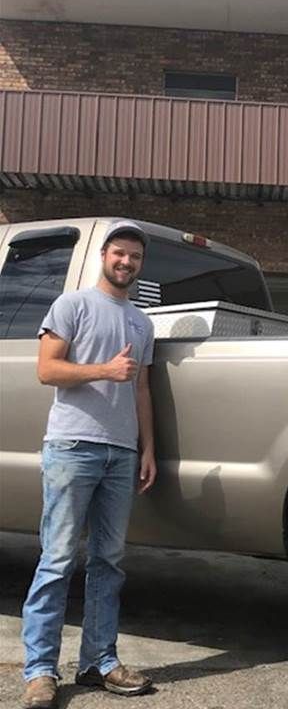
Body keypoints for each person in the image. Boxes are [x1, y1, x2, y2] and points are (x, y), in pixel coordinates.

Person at [21, 220, 157, 709]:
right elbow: (46, 370)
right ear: (104, 255)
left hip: (120, 454)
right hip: (72, 447)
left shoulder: (143, 323)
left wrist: (147, 448)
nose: (126, 262)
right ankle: (39, 672)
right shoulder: (72, 305)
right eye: (119, 253)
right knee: (57, 561)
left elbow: (140, 387)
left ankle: (99, 661)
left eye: (135, 257)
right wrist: (104, 369)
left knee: (109, 563)